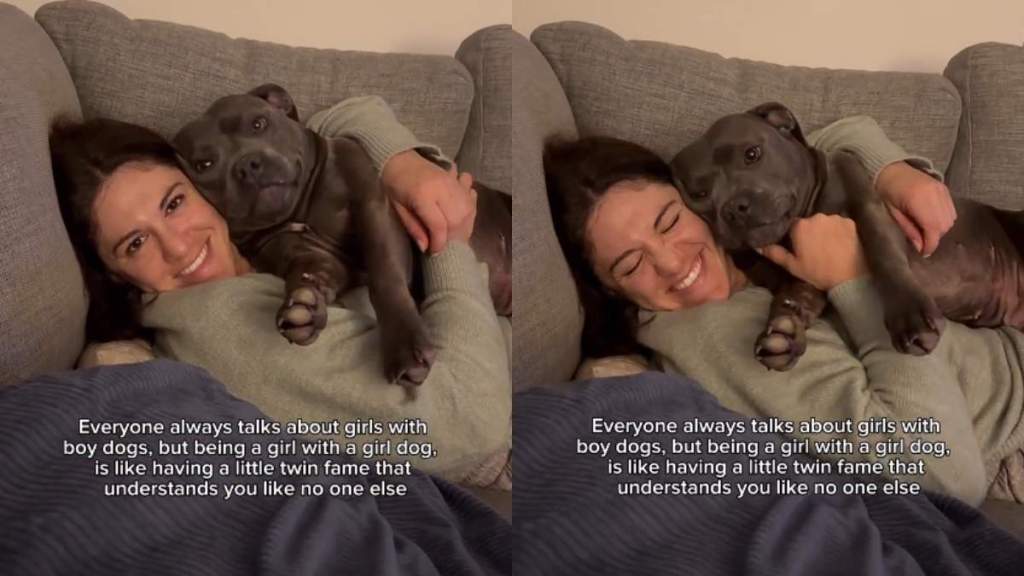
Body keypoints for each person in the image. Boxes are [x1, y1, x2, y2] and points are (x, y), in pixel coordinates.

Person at [544, 117, 1024, 506]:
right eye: (631, 265)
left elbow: (815, 141)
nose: (671, 263)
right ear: (609, 290)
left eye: (669, 221)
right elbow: (943, 473)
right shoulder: (716, 335)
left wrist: (891, 170)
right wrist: (854, 279)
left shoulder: (749, 241)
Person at [50, 97, 511, 486]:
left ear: (196, 185)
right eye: (135, 243)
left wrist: (400, 162)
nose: (178, 246)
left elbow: (338, 116)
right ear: (114, 275)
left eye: (174, 203)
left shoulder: (255, 242)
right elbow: (474, 426)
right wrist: (450, 237)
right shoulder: (225, 322)